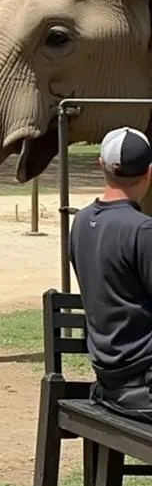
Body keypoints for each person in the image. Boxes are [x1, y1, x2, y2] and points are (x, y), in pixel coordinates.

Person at [70, 126, 152, 421]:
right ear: (149, 172)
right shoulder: (142, 230)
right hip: (142, 387)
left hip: (107, 380)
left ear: (101, 165)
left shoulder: (80, 222)